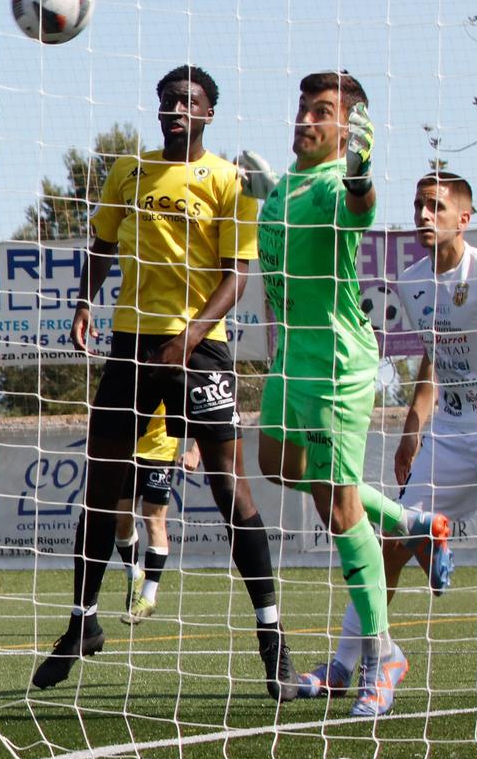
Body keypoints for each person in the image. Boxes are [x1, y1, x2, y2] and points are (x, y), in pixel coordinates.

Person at [33, 65, 298, 701]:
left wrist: (187, 337)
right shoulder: (131, 172)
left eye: (188, 101)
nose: (175, 108)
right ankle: (83, 623)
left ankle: (273, 644)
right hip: (130, 346)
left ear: (209, 113)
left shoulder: (229, 183)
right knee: (102, 486)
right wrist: (84, 301)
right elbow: (100, 243)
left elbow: (237, 275)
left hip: (198, 352)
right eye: (167, 101)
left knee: (229, 488)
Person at [300, 171, 477, 699]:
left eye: (435, 207)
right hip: (449, 435)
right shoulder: (411, 281)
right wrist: (412, 431)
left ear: (463, 219)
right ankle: (344, 665)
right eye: (418, 206)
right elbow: (434, 355)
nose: (423, 216)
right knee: (386, 545)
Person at [257, 70, 414, 718]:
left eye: (322, 111)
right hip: (291, 361)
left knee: (339, 510)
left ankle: (382, 660)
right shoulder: (286, 188)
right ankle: (409, 523)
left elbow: (360, 208)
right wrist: (266, 189)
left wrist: (360, 172)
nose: (306, 119)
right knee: (275, 466)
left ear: (346, 130)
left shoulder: (330, 186)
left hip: (336, 366)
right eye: (303, 108)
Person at [115, 410, 179, 625]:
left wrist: (195, 450)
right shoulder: (126, 376)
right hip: (125, 449)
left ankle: (148, 597)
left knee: (154, 521)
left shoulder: (173, 376)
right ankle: (134, 574)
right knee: (120, 520)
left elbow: (193, 406)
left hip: (160, 452)